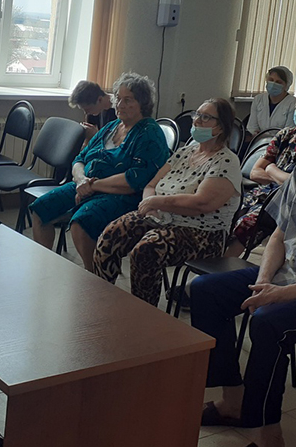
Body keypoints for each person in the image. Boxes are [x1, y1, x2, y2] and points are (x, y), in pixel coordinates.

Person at [93, 98, 242, 307]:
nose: (197, 120)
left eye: (206, 117)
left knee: (147, 250)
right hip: (161, 217)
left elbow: (201, 203)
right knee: (111, 234)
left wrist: (158, 202)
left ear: (221, 126)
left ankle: (143, 314)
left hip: (203, 233)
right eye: (197, 114)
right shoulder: (185, 152)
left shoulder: (226, 161)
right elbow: (151, 185)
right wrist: (150, 206)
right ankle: (101, 299)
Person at [191, 171, 296, 447]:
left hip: (292, 288)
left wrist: (280, 294)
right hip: (285, 275)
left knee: (267, 322)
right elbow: (279, 235)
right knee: (206, 291)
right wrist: (263, 282)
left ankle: (269, 433)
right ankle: (233, 402)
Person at [30, 72, 169, 271]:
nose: (119, 105)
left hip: (123, 195)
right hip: (87, 185)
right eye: (118, 98)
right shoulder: (112, 127)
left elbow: (134, 180)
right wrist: (81, 180)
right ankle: (44, 268)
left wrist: (92, 185)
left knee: (82, 222)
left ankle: (94, 276)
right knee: (40, 209)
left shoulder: (149, 133)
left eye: (128, 100)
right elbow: (80, 159)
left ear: (142, 103)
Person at [226, 125, 296, 257]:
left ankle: (220, 263)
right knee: (229, 209)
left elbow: (294, 184)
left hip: (285, 202)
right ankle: (211, 257)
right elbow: (255, 172)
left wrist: (270, 169)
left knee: (247, 223)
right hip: (261, 192)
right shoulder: (285, 134)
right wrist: (279, 177)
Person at [247, 66, 296, 137]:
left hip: (280, 142)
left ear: (286, 85)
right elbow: (252, 127)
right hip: (257, 141)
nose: (273, 84)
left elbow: (288, 131)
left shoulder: (293, 103)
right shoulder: (258, 99)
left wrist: (266, 137)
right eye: (271, 80)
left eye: (278, 82)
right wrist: (257, 135)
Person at [68, 80, 117, 145]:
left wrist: (96, 135)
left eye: (88, 109)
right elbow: (87, 144)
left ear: (100, 99)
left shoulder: (119, 110)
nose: (86, 113)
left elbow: (116, 143)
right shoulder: (92, 113)